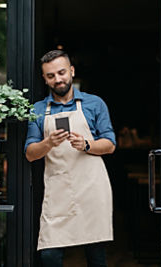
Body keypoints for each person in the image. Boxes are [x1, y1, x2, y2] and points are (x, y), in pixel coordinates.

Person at [25, 50, 116, 267]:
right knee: (49, 255)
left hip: (92, 189)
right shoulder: (37, 110)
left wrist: (86, 145)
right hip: (58, 190)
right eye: (50, 76)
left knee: (96, 256)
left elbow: (110, 144)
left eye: (61, 72)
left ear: (72, 72)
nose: (57, 79)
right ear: (44, 79)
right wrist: (49, 143)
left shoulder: (94, 103)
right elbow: (29, 154)